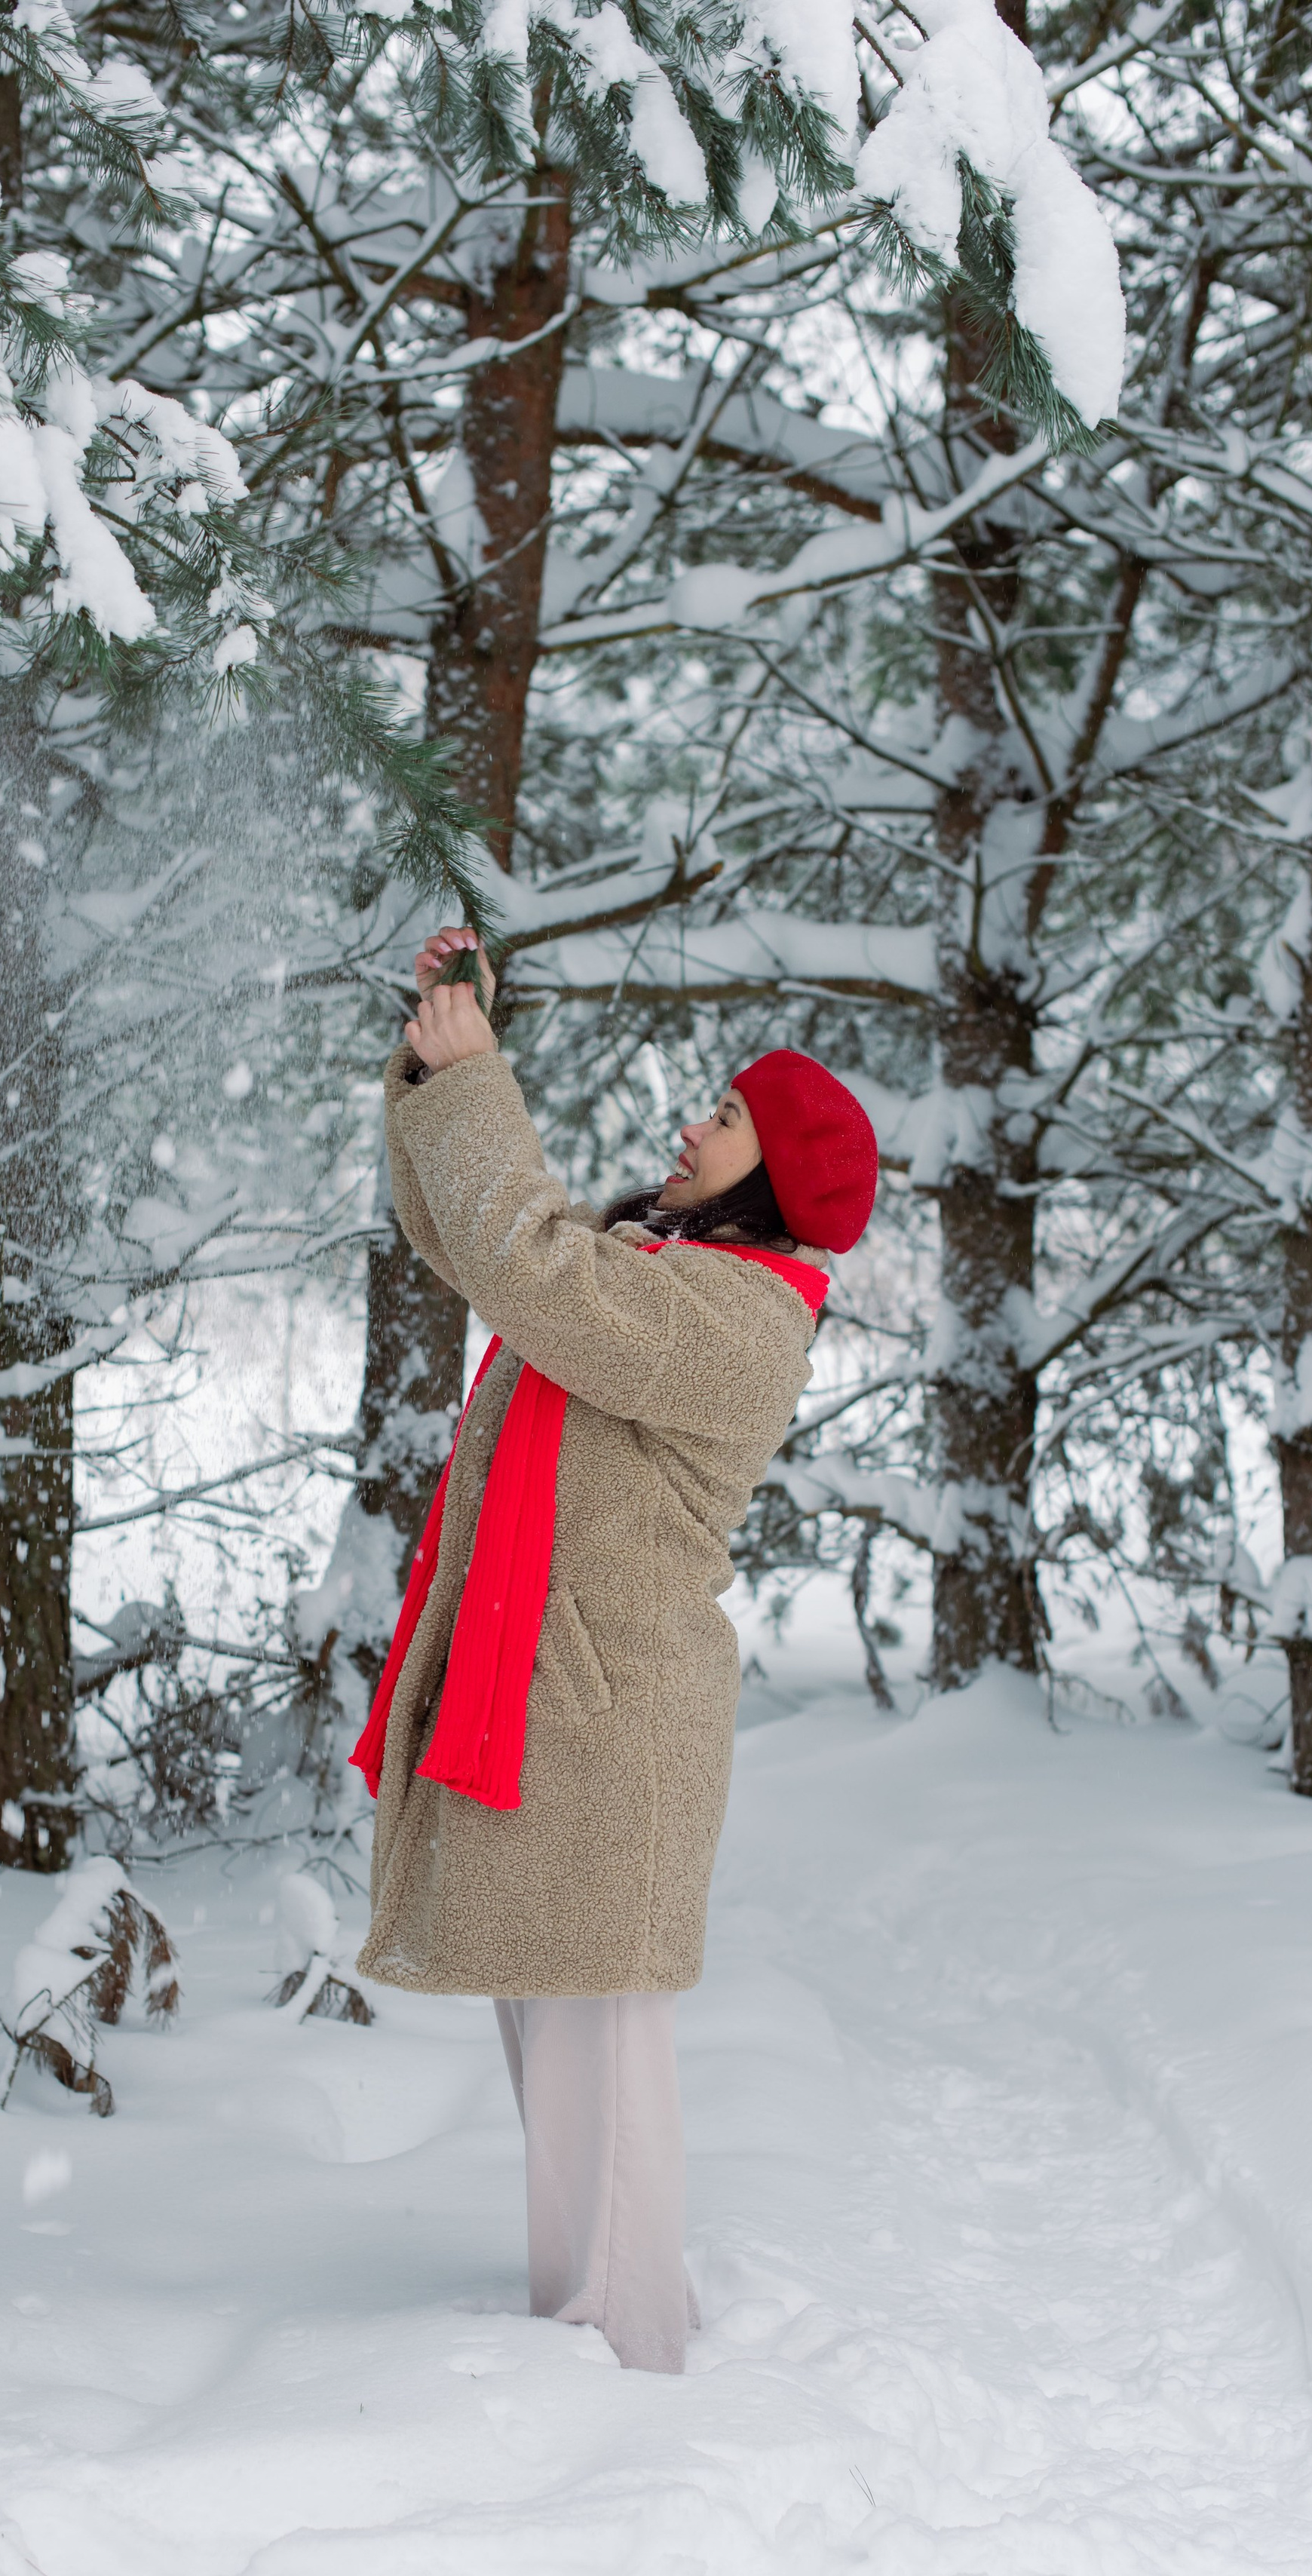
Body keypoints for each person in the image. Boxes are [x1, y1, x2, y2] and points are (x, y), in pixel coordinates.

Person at [351, 927, 880, 2372]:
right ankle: (584, 2316)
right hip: (554, 1704)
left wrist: (484, 1087)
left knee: (604, 2059)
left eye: (726, 1118)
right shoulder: (658, 1261)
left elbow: (527, 1268)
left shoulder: (734, 1317)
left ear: (772, 1176)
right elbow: (472, 1238)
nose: (692, 1124)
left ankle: (627, 2344)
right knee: (557, 2046)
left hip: (610, 1717)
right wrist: (440, 1060)